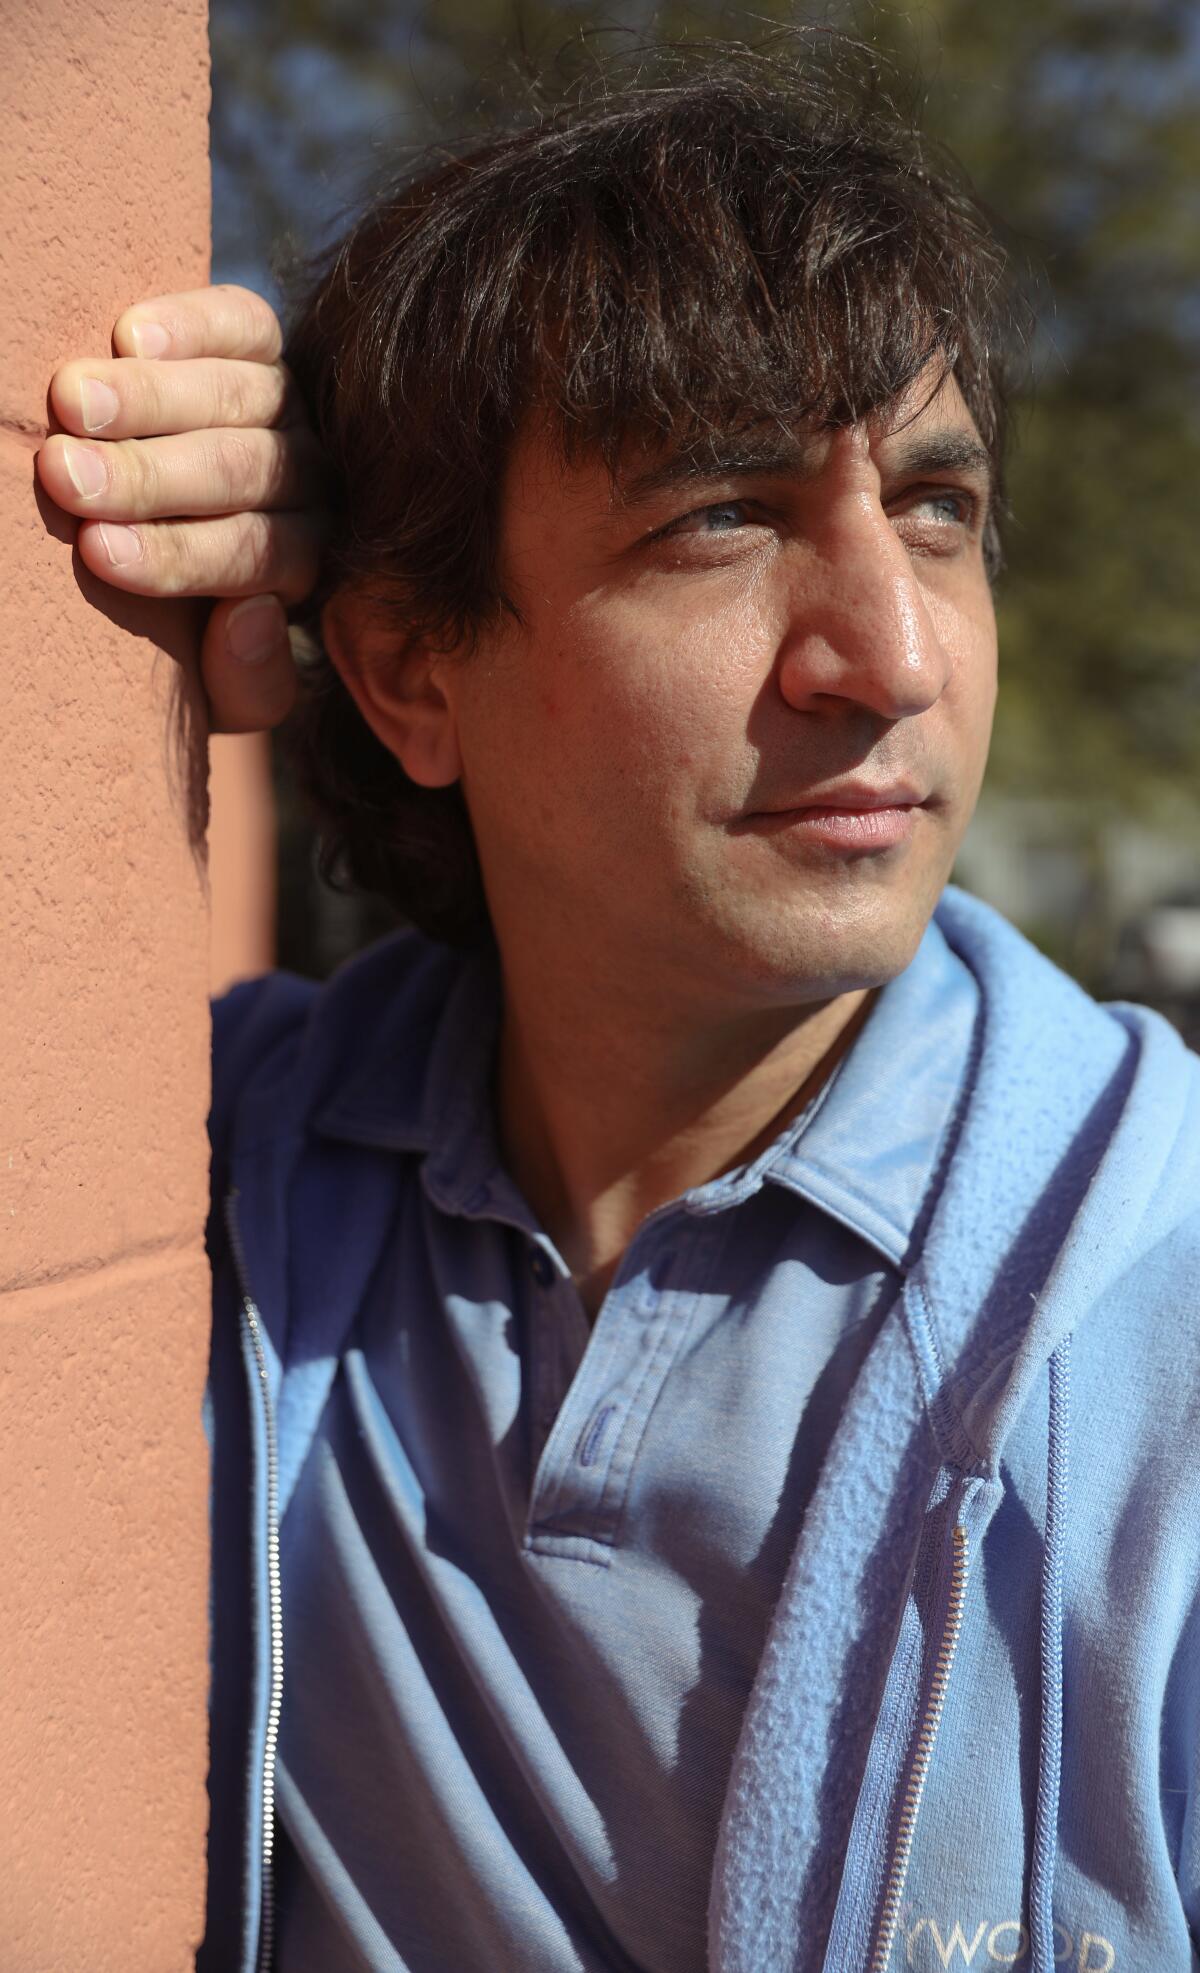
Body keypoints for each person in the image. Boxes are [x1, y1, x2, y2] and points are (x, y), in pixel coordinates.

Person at [36, 37, 1200, 1973]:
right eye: (723, 519)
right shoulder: (226, 1200)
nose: (891, 654)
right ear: (411, 673)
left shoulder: (1160, 1310)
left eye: (932, 503)